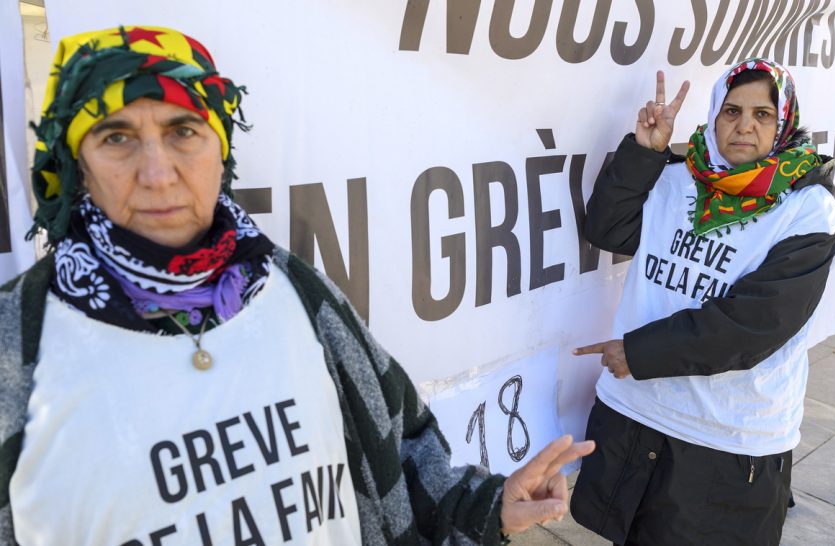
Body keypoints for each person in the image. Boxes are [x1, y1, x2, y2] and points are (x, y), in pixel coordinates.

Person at [0, 26, 593, 545]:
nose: (157, 173)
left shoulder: (292, 290)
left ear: (220, 149)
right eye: (117, 138)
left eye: (184, 131)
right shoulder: (17, 341)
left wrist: (487, 506)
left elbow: (402, 441)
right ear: (76, 165)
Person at [569, 59, 835, 545]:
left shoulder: (808, 210)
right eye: (731, 111)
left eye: (762, 114)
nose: (744, 125)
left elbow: (754, 324)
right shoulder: (677, 176)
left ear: (784, 122)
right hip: (639, 416)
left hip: (726, 441)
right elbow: (607, 230)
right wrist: (644, 153)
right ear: (713, 116)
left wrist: (637, 353)